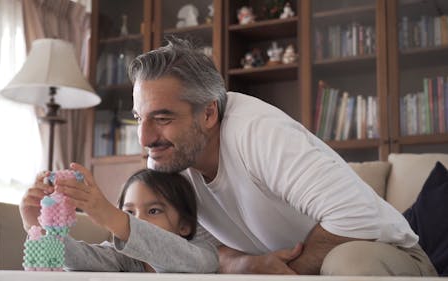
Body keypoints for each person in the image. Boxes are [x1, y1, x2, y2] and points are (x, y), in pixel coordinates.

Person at [123, 38, 437, 276]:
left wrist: (287, 274)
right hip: (298, 269)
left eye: (163, 119)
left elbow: (355, 217)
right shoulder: (172, 157)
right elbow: (195, 246)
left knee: (347, 262)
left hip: (389, 257)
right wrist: (246, 264)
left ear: (208, 113)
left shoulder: (258, 133)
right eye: (140, 118)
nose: (146, 138)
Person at [19, 167, 219, 273]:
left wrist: (116, 219)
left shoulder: (204, 253)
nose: (138, 220)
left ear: (185, 225)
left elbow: (186, 260)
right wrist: (38, 225)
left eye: (153, 211)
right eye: (129, 213)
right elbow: (77, 258)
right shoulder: (123, 258)